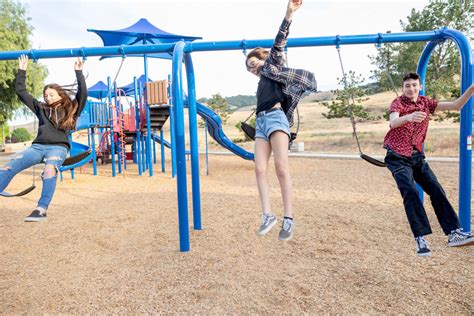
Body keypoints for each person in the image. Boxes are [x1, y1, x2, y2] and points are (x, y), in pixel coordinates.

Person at [245, 0, 317, 241]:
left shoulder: (274, 66)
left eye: (254, 64)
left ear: (263, 58)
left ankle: (288, 217)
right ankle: (267, 215)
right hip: (262, 122)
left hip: (277, 119)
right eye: (250, 69)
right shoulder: (261, 82)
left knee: (281, 168)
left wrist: (289, 14)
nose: (253, 69)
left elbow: (279, 41)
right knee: (258, 168)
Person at [383, 72, 474, 256]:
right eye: (407, 85)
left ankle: (454, 233)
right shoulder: (398, 102)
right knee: (410, 191)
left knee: (436, 188)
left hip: (417, 156)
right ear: (403, 88)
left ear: (420, 86)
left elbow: (456, 106)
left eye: (414, 85)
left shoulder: (426, 102)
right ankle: (420, 239)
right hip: (397, 156)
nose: (411, 89)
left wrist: (472, 89)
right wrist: (407, 117)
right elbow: (393, 122)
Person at [0, 55, 87, 222]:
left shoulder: (71, 109)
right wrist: (22, 70)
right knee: (7, 168)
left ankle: (41, 209)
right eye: (46, 95)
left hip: (58, 148)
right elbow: (21, 92)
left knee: (49, 170)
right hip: (37, 147)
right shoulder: (40, 108)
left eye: (52, 94)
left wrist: (78, 72)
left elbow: (82, 94)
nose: (48, 97)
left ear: (60, 95)